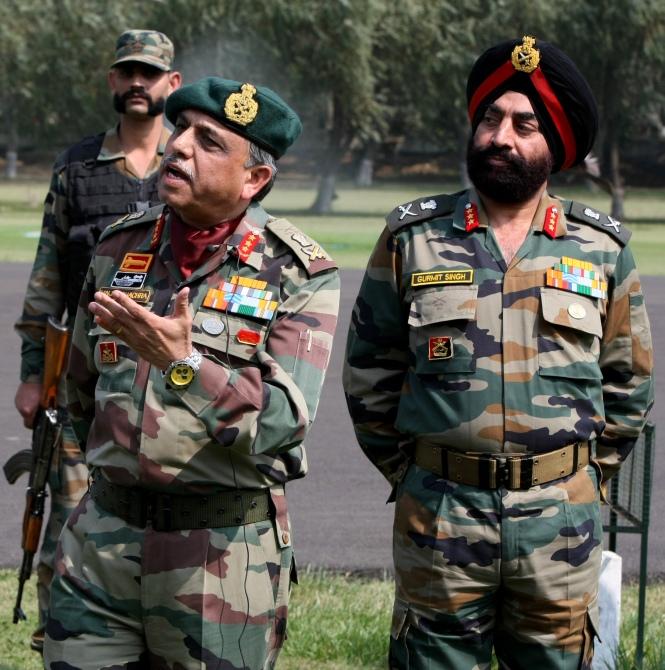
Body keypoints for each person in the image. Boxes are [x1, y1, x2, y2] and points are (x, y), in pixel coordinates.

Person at [343, 35, 653, 670]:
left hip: (560, 524)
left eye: (524, 124)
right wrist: (414, 475)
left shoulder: (600, 250)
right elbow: (369, 374)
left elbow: (629, 383)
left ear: (554, 147)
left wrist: (583, 480)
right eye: (490, 118)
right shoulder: (413, 238)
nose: (500, 137)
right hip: (440, 519)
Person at [43, 76, 340, 669]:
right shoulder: (116, 248)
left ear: (255, 179)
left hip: (221, 560)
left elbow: (283, 422)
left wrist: (184, 365)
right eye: (181, 131)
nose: (178, 147)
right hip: (104, 547)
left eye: (209, 142)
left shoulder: (298, 272)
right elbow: (80, 393)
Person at [12, 29, 181, 653]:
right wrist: (34, 374)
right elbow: (46, 279)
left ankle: (159, 628)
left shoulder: (188, 162)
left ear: (172, 84)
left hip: (170, 377)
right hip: (83, 376)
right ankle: (63, 633)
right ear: (113, 81)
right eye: (127, 72)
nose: (138, 83)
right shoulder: (78, 169)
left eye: (150, 73)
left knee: (166, 513)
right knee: (71, 513)